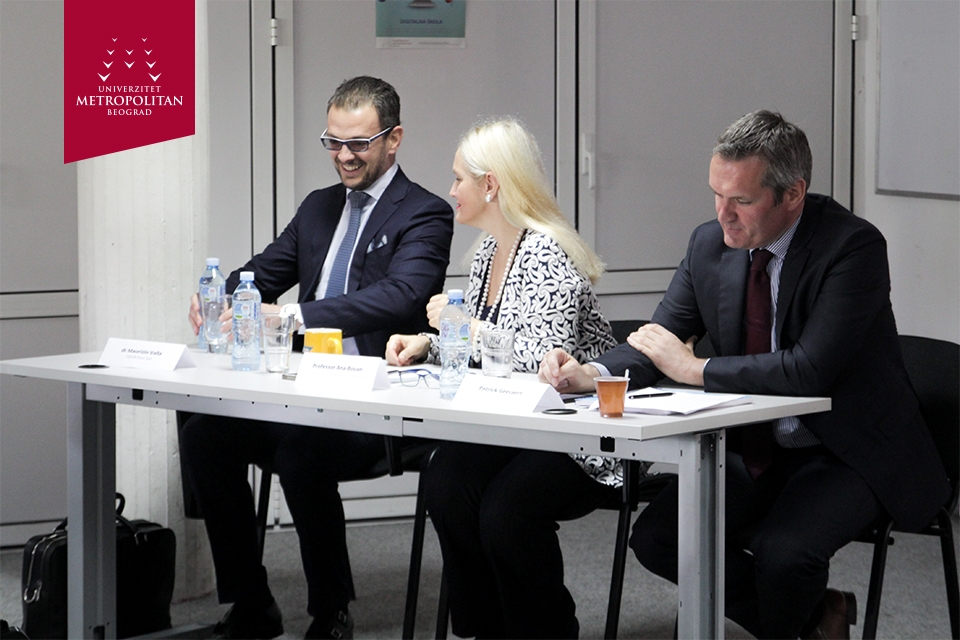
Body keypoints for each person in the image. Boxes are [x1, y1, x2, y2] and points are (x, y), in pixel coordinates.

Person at [539, 111, 950, 639]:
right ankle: (814, 620)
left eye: (741, 200)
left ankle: (796, 617)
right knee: (659, 538)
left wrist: (695, 369)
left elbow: (808, 370)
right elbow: (659, 341)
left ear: (793, 193)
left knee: (784, 555)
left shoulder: (852, 247)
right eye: (716, 194)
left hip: (847, 448)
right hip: (757, 444)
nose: (723, 214)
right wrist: (590, 373)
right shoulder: (709, 244)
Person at [179, 76, 454, 640]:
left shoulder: (424, 212)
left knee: (301, 452)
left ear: (394, 138)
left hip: (375, 398)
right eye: (333, 142)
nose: (344, 156)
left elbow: (400, 296)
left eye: (358, 143)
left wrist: (296, 317)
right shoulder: (319, 207)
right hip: (301, 389)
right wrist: (222, 294)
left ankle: (331, 613)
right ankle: (251, 604)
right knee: (205, 434)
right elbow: (264, 271)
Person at [386, 117, 619, 638]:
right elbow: (483, 350)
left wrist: (463, 325)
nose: (450, 191)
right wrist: (428, 343)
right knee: (446, 480)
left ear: (490, 184)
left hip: (580, 433)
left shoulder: (548, 251)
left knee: (505, 511)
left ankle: (547, 632)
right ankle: (487, 628)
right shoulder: (490, 250)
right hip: (517, 425)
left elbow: (546, 366)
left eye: (458, 179)